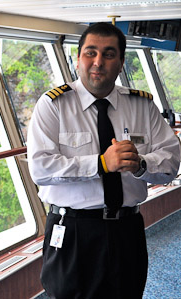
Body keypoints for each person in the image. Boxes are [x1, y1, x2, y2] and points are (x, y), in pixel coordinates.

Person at [28, 22, 180, 299]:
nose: (98, 62)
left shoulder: (142, 106)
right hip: (73, 230)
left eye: (109, 54)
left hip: (126, 228)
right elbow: (41, 168)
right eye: (91, 52)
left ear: (121, 62)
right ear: (78, 59)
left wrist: (141, 164)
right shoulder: (53, 105)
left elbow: (171, 162)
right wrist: (101, 164)